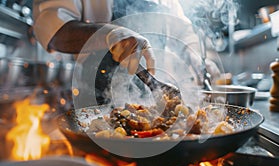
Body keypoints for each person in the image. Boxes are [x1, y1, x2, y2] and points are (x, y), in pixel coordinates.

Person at [32, 0, 221, 105]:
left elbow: (185, 33)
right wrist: (106, 34)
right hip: (95, 105)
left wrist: (195, 58)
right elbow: (50, 27)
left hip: (152, 101)